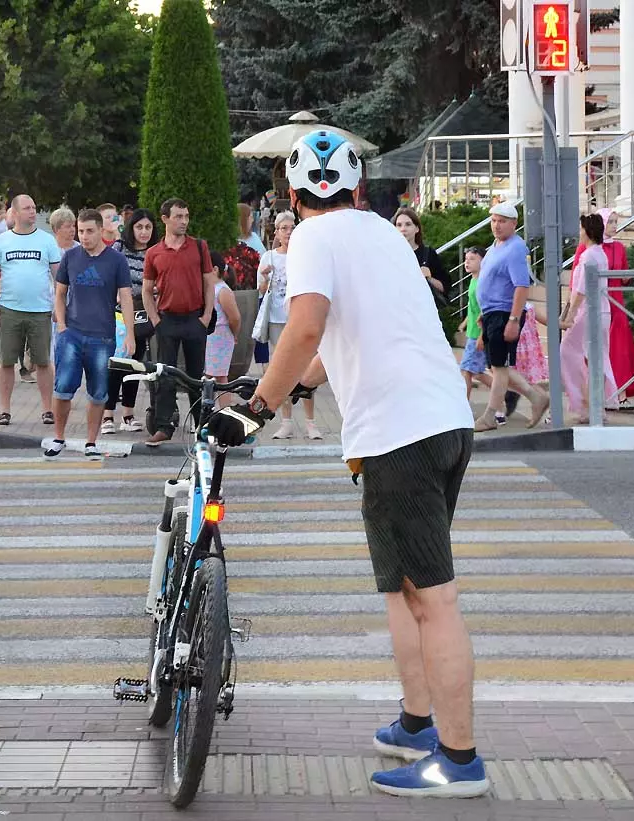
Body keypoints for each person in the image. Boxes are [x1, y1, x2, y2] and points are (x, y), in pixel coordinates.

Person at [205, 130, 489, 798]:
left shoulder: (309, 238)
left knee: (435, 598)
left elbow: (306, 325)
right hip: (442, 421)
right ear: (357, 189)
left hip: (399, 435)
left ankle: (458, 759)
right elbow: (342, 341)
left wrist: (256, 409)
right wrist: (288, 386)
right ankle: (417, 722)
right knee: (405, 588)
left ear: (291, 194)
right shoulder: (382, 233)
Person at [45, 209, 135, 460]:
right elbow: (60, 293)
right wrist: (61, 326)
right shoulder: (70, 257)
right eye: (81, 231)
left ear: (100, 231)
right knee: (63, 387)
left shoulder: (116, 260)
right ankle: (58, 437)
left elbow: (126, 298)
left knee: (98, 392)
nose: (84, 236)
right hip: (71, 334)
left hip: (102, 337)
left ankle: (91, 442)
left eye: (89, 231)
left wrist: (130, 334)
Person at [141, 197, 218, 445]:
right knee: (165, 375)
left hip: (195, 319)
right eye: (178, 217)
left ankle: (202, 427)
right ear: (165, 219)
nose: (184, 221)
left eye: (186, 216)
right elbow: (146, 290)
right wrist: (156, 320)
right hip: (167, 321)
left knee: (196, 377)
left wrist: (206, 317)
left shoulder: (199, 247)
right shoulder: (154, 253)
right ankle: (164, 426)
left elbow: (209, 283)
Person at [472, 201, 550, 432]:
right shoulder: (496, 246)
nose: (496, 225)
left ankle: (490, 415)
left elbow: (521, 285)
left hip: (504, 313)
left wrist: (514, 320)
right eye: (494, 221)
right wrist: (483, 314)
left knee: (500, 367)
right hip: (491, 313)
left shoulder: (516, 248)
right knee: (497, 367)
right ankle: (536, 397)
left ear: (514, 223)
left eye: (502, 221)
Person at [0, 193, 62, 426]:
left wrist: (60, 307)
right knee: (6, 361)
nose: (32, 212)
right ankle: (4, 410)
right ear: (15, 212)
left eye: (34, 207)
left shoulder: (47, 241)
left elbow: (59, 277)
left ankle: (48, 409)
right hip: (10, 309)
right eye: (27, 208)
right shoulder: (2, 241)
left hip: (40, 310)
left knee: (43, 361)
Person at [258, 211, 320, 439]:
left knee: (307, 369)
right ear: (276, 232)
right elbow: (261, 290)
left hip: (301, 318)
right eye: (284, 228)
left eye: (292, 228)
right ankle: (286, 422)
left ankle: (311, 422)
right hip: (277, 319)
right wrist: (265, 277)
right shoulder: (269, 257)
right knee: (283, 369)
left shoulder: (305, 256)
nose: (288, 232)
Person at [572, 207, 634, 409]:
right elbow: (577, 279)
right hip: (595, 302)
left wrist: (626, 276)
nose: (613, 226)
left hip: (615, 303)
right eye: (609, 221)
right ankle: (594, 398)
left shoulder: (619, 247)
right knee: (593, 351)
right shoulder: (586, 249)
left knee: (618, 348)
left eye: (615, 222)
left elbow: (624, 273)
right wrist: (571, 307)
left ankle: (619, 394)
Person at [102, 207, 158, 434]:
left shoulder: (155, 251)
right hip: (119, 315)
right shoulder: (119, 248)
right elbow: (107, 275)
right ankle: (107, 414)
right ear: (131, 228)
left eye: (148, 227)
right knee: (116, 364)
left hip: (143, 315)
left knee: (135, 365)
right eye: (139, 227)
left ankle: (128, 414)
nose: (144, 232)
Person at [559, 213, 619, 423]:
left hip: (588, 312)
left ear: (588, 231)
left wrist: (570, 315)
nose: (579, 232)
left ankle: (586, 404)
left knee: (568, 352)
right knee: (596, 358)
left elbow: (581, 289)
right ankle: (595, 406)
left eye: (581, 228)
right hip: (601, 311)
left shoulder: (589, 256)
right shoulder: (599, 253)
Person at [203, 249, 242, 406]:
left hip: (220, 336)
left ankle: (224, 410)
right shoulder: (208, 288)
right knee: (209, 376)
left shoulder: (223, 291)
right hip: (208, 336)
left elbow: (235, 317)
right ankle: (208, 409)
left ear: (214, 269)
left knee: (219, 376)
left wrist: (234, 333)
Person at [393, 206, 451, 303]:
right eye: (399, 225)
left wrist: (428, 278)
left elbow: (445, 287)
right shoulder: (389, 254)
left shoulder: (428, 253)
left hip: (423, 307)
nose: (403, 229)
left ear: (417, 228)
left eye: (408, 224)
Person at [457, 247, 492, 400]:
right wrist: (465, 322)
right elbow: (473, 307)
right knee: (475, 371)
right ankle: (505, 392)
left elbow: (485, 310)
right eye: (466, 259)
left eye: (472, 259)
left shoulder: (482, 283)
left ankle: (464, 404)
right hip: (472, 331)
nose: (467, 262)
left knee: (466, 370)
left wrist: (482, 335)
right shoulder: (473, 280)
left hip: (478, 333)